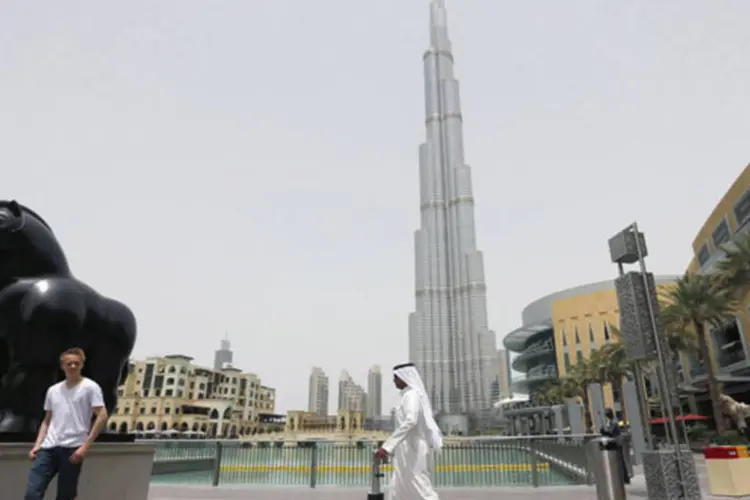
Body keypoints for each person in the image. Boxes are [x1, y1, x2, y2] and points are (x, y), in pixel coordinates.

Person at [24, 347, 109, 500]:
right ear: (62, 366)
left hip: (73, 448)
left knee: (66, 495)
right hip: (48, 448)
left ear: (82, 364)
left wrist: (84, 447)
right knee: (32, 493)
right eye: (69, 363)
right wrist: (37, 445)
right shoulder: (53, 390)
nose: (72, 366)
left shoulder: (90, 388)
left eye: (76, 363)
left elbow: (102, 416)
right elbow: (47, 420)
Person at [375, 362, 443, 500]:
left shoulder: (412, 395)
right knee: (398, 488)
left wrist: (387, 447)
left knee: (421, 487)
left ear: (405, 377)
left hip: (413, 449)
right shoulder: (407, 396)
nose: (394, 381)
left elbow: (411, 421)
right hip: (406, 450)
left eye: (396, 377)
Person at [599, 407, 630, 485]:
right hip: (613, 443)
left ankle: (625, 478)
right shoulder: (610, 421)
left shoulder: (614, 421)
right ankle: (621, 477)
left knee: (620, 461)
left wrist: (603, 430)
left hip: (616, 443)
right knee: (618, 461)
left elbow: (609, 432)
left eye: (606, 414)